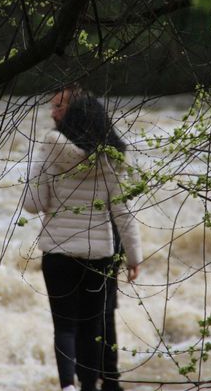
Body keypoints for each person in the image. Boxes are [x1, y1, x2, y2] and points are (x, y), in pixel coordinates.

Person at [24, 90, 141, 391]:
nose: (52, 113)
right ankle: (92, 385)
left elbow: (33, 203)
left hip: (58, 253)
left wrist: (38, 169)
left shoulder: (50, 153)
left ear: (70, 118)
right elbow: (123, 212)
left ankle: (67, 387)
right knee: (92, 325)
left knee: (64, 326)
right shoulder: (109, 160)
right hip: (98, 253)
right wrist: (134, 255)